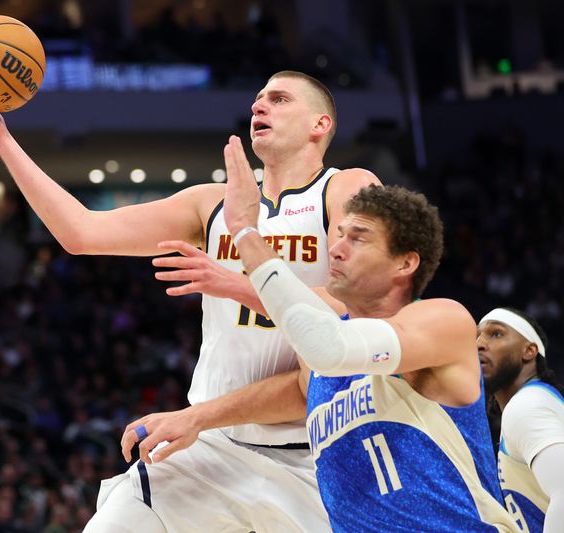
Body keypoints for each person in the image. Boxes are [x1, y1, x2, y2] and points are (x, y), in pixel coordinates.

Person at [0, 69, 379, 532]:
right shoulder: (212, 202)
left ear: (320, 124)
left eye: (278, 99)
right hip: (209, 446)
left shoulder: (345, 188)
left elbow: (352, 310)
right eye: (256, 100)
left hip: (314, 458)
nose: (259, 106)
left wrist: (235, 284)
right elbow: (81, 232)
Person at [123, 140, 517, 531]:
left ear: (405, 262)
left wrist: (246, 233)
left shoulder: (441, 322)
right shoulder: (319, 367)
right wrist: (195, 417)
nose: (337, 249)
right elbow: (296, 387)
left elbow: (330, 347)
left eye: (357, 238)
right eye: (338, 235)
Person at [477, 307, 564, 532]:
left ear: (529, 351)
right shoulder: (536, 402)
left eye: (496, 334)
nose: (479, 344)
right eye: (477, 336)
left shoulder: (526, 405)